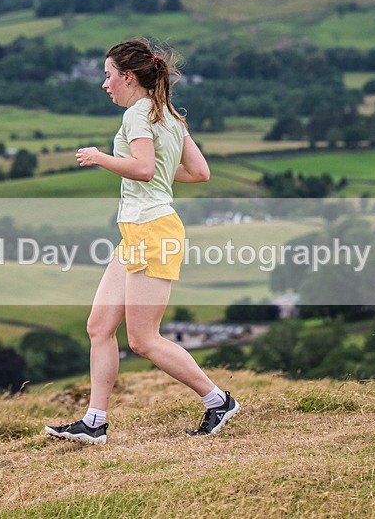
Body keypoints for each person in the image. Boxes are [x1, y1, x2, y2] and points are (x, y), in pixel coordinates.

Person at [44, 38, 239, 445]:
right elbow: (199, 172)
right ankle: (94, 422)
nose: (105, 84)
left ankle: (218, 400)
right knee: (99, 327)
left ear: (128, 77)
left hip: (152, 232)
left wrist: (100, 157)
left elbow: (145, 169)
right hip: (139, 231)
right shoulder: (167, 114)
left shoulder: (138, 115)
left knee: (143, 340)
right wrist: (156, 175)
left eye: (108, 76)